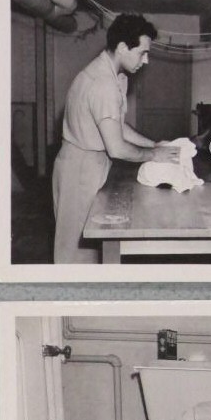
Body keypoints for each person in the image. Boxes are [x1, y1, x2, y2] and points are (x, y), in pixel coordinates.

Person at [52, 13, 180, 263]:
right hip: (80, 169)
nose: (146, 60)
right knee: (73, 254)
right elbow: (118, 148)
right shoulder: (102, 84)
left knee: (91, 250)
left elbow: (118, 127)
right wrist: (155, 155)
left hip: (89, 164)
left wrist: (154, 144)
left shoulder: (114, 76)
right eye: (143, 52)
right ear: (122, 47)